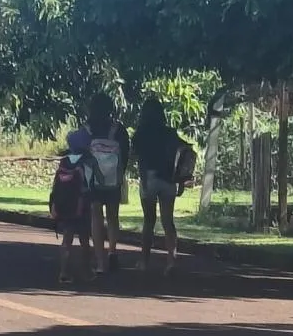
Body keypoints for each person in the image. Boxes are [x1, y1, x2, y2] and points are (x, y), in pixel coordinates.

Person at [132, 97, 193, 275]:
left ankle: (144, 261)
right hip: (168, 179)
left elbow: (136, 156)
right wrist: (182, 179)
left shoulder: (140, 133)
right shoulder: (170, 133)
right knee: (168, 221)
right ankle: (171, 261)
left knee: (148, 221)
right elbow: (184, 150)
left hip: (148, 178)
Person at [84, 93, 130, 274]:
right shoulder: (118, 129)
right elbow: (125, 153)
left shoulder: (87, 129)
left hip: (94, 179)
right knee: (113, 216)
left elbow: (79, 151)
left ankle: (100, 259)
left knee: (96, 216)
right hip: (113, 179)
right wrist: (119, 172)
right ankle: (112, 251)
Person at [49, 128, 99, 285]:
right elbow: (94, 182)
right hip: (82, 204)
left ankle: (64, 272)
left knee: (67, 239)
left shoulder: (65, 160)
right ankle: (87, 271)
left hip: (65, 204)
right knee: (84, 239)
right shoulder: (89, 160)